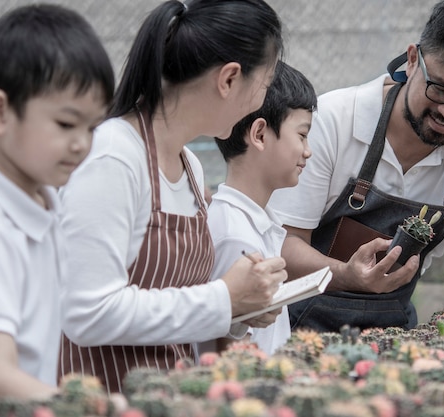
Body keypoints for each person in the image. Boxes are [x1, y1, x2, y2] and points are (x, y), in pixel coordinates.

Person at [58, 0, 287, 393]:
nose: (260, 102)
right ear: (229, 79)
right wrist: (224, 299)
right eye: (263, 87)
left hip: (168, 395)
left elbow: (179, 305)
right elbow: (88, 313)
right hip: (103, 398)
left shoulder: (192, 169)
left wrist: (240, 310)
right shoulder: (113, 157)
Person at [268, 0, 444, 332]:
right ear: (413, 60)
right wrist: (346, 275)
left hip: (391, 335)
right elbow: (282, 248)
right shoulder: (335, 119)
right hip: (295, 328)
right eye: (439, 89)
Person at [0, 4, 114, 415]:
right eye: (65, 124)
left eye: (92, 128)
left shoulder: (41, 204)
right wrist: (93, 406)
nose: (82, 144)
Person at [206, 61, 317, 355]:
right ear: (259, 135)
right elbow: (227, 350)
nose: (308, 151)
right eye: (302, 135)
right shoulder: (236, 236)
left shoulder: (253, 223)